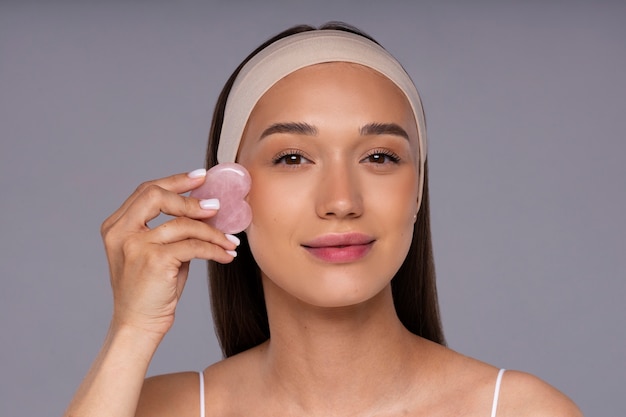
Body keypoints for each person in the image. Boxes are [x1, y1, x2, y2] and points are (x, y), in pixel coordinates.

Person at [64, 22, 582, 417]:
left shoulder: (518, 410)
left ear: (417, 190)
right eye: (292, 158)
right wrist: (131, 330)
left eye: (380, 157)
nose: (341, 200)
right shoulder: (163, 409)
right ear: (227, 193)